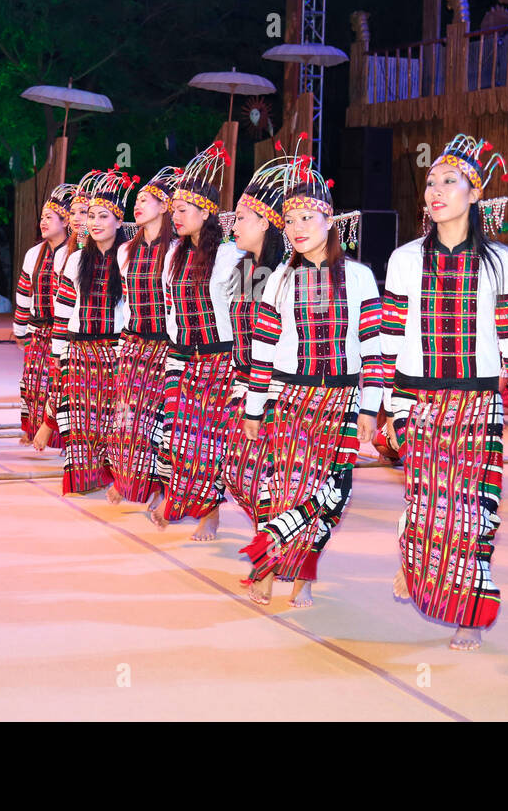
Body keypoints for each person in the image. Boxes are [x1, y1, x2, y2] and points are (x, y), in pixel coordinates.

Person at [381, 134, 508, 651]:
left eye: (449, 182)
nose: (435, 190)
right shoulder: (405, 259)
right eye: (430, 182)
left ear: (475, 194)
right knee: (428, 500)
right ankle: (414, 561)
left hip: (478, 402)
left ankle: (468, 614)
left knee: (473, 509)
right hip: (417, 399)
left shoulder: (500, 261)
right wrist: (380, 405)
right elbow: (387, 338)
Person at [237, 161, 381, 608]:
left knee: (329, 493)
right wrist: (254, 407)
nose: (298, 228)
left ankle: (303, 576)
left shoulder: (358, 277)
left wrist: (370, 409)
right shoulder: (278, 278)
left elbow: (375, 350)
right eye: (291, 219)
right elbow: (263, 348)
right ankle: (264, 567)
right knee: (280, 486)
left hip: (343, 397)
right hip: (290, 394)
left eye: (307, 218)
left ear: (329, 220)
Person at [150, 143, 245, 541]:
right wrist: (173, 355)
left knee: (211, 440)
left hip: (220, 359)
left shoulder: (230, 255)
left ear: (206, 213)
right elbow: (172, 309)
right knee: (178, 434)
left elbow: (240, 314)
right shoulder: (172, 252)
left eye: (182, 209)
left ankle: (210, 512)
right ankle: (179, 495)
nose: (176, 215)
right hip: (183, 357)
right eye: (173, 209)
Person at [50, 171, 130, 495]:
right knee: (81, 419)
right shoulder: (77, 259)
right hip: (79, 350)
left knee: (113, 418)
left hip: (115, 350)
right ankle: (84, 478)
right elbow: (63, 309)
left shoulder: (128, 258)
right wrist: (59, 353)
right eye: (91, 216)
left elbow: (134, 310)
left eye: (103, 216)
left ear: (118, 222)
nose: (94, 222)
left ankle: (116, 477)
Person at [107, 166, 180, 509]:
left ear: (165, 207)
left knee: (163, 421)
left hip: (166, 344)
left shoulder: (177, 249)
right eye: (137, 199)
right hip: (134, 342)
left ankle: (161, 488)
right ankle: (128, 480)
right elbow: (125, 304)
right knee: (128, 417)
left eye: (146, 200)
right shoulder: (125, 251)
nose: (138, 205)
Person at [222, 157, 290, 526]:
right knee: (237, 473)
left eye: (242, 217)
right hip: (243, 382)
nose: (234, 224)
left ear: (265, 223)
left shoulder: (284, 274)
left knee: (267, 474)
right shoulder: (243, 268)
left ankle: (273, 548)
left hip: (275, 388)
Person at [13, 184, 76, 446]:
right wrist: (20, 329)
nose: (43, 222)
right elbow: (23, 293)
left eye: (49, 217)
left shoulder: (71, 254)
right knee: (33, 381)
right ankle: (34, 430)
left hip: (60, 330)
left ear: (65, 222)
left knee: (56, 383)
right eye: (41, 218)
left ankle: (57, 436)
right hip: (36, 329)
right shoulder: (33, 253)